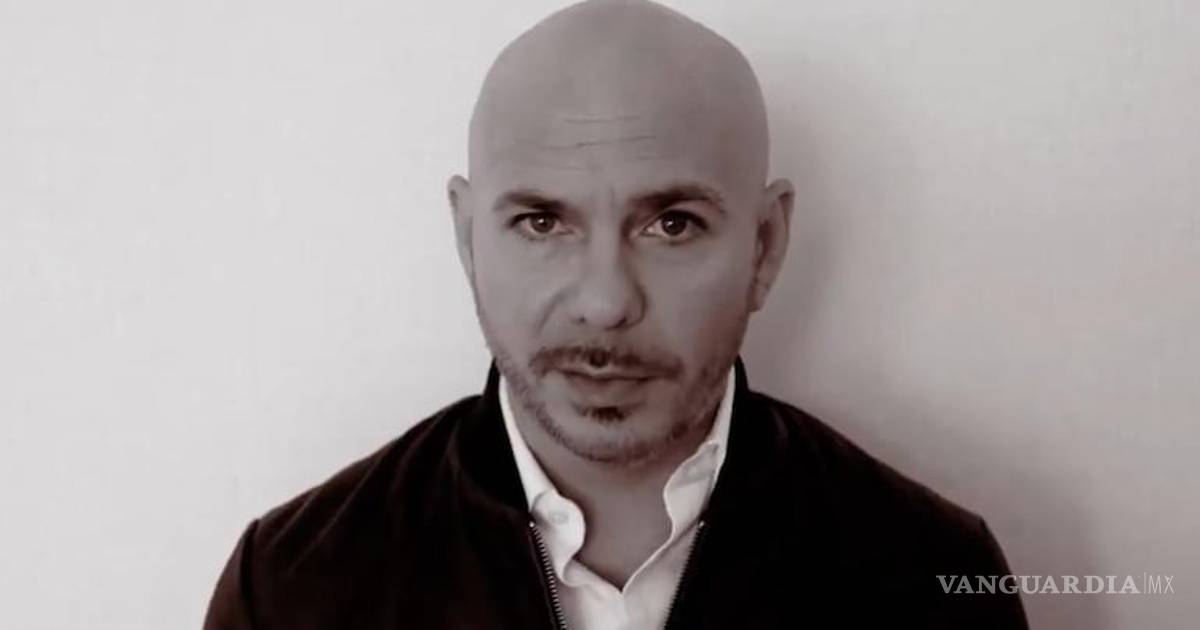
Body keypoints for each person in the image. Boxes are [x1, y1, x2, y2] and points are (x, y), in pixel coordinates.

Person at [203, 1, 1028, 628]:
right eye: (542, 223)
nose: (605, 302)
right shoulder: (290, 591)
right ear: (467, 239)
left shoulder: (936, 580)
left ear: (765, 246)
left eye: (672, 225)